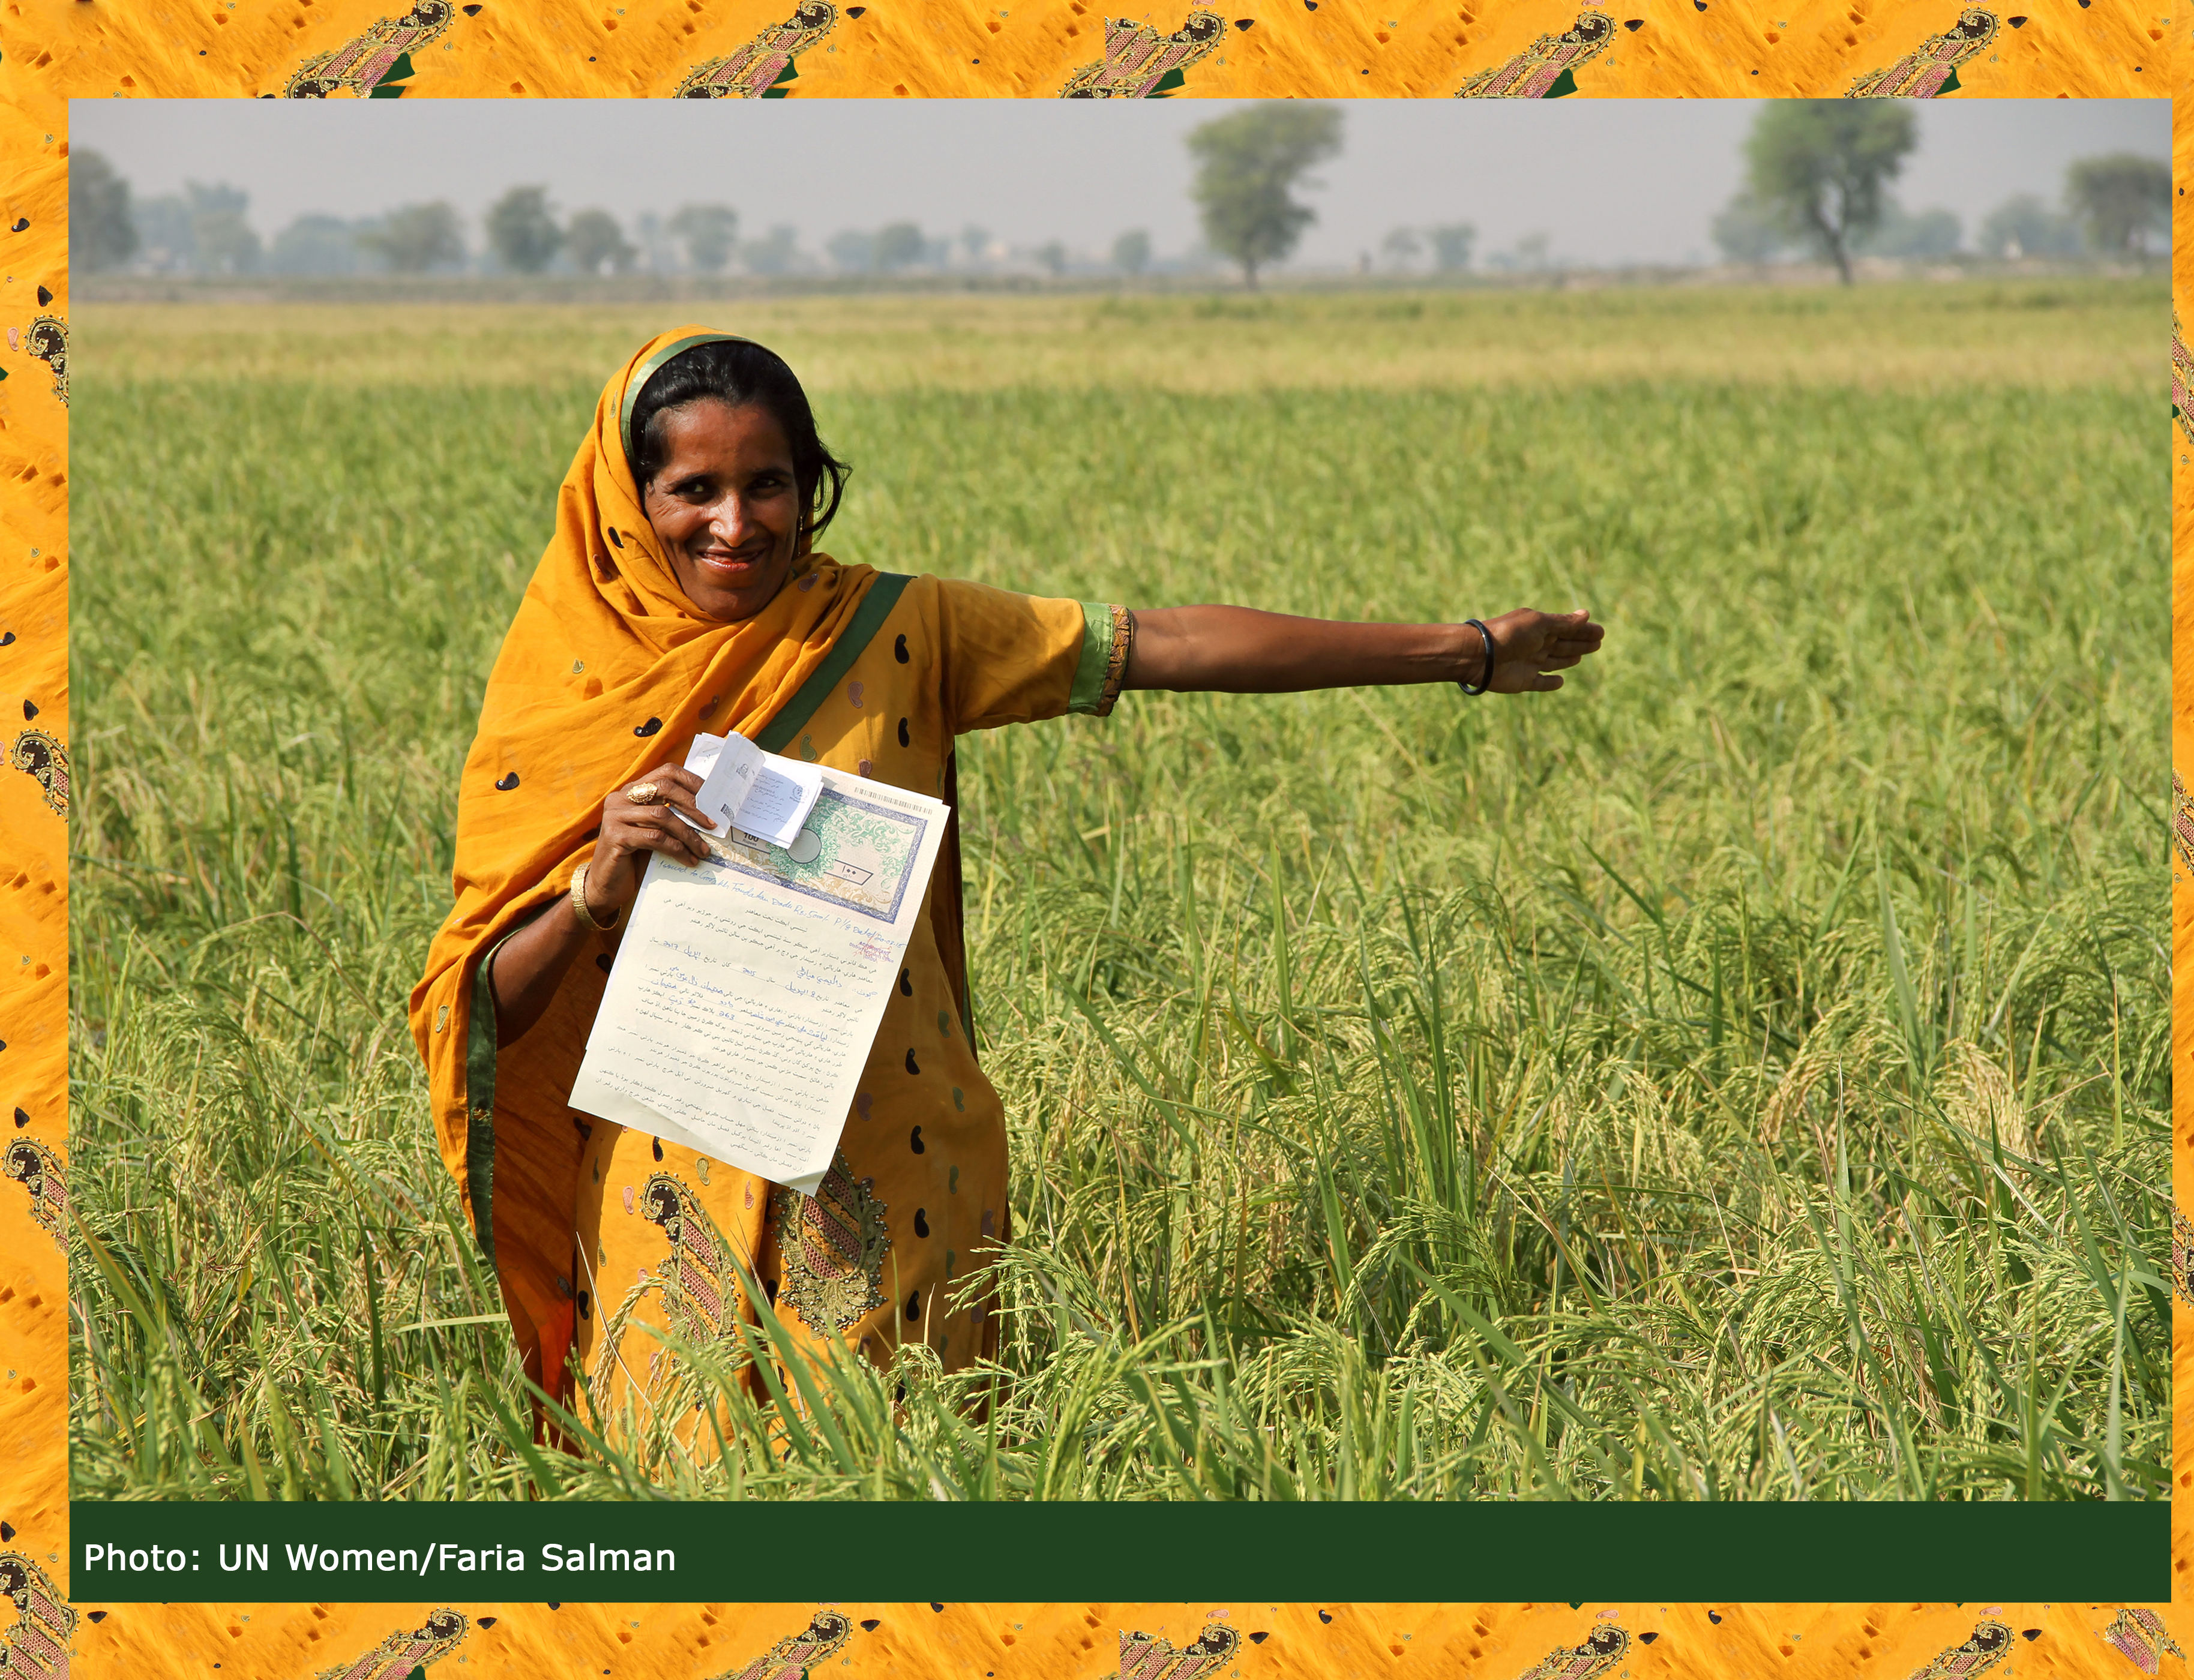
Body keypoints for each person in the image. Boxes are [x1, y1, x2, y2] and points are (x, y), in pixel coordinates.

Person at [408, 325, 1605, 1437]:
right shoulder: (567, 700)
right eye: (694, 490)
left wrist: (1465, 650)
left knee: (897, 1511)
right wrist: (598, 879)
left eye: (767, 482)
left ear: (807, 483)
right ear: (629, 505)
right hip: (665, 1200)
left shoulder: (893, 628)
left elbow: (1164, 646)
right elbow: (484, 1008)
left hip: (890, 1173)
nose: (737, 522)